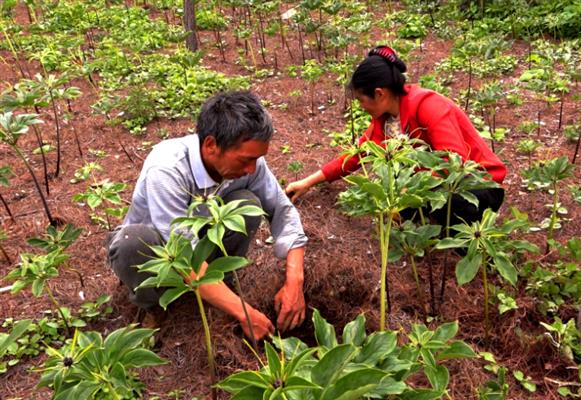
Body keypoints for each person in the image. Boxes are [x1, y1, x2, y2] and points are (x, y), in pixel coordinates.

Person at [107, 91, 307, 340]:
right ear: (211, 145)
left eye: (257, 159)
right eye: (246, 160)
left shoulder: (249, 164)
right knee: (132, 241)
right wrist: (244, 313)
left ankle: (219, 284)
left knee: (248, 204)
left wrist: (295, 280)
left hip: (200, 245)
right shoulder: (167, 169)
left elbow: (281, 210)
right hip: (161, 252)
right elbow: (182, 254)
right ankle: (155, 306)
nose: (251, 169)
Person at [286, 45, 506, 225]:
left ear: (379, 94)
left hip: (477, 185)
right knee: (402, 205)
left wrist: (406, 193)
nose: (361, 107)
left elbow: (453, 162)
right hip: (432, 187)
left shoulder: (429, 105)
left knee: (436, 203)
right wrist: (308, 182)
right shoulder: (385, 119)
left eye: (362, 100)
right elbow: (357, 155)